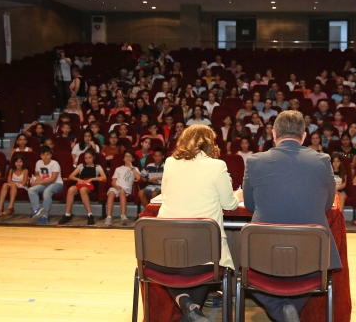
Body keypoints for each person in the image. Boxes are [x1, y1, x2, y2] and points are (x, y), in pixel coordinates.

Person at [242, 111, 341, 321]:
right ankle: (289, 308)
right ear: (304, 136)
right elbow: (327, 204)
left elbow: (249, 204)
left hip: (264, 255)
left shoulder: (255, 161)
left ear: (274, 134)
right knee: (308, 275)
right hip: (312, 256)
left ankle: (280, 309)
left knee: (238, 266)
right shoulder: (323, 160)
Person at [148, 125, 241, 321]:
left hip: (164, 256)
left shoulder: (170, 162)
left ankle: (187, 306)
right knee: (203, 262)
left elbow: (165, 194)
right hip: (204, 258)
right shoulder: (217, 166)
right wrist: (238, 193)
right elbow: (230, 205)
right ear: (210, 144)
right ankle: (189, 310)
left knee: (181, 261)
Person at [59, 149, 107, 226]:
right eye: (86, 158)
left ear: (93, 157)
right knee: (71, 189)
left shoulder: (97, 167)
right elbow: (71, 176)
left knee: (83, 190)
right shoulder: (81, 166)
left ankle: (90, 215)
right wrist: (78, 179)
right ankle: (67, 214)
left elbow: (104, 177)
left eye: (90, 158)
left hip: (91, 185)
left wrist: (91, 179)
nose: (88, 160)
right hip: (81, 183)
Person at [28, 146, 64, 224]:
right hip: (44, 183)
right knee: (31, 190)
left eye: (48, 154)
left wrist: (37, 183)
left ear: (51, 155)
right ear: (40, 156)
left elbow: (53, 179)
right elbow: (36, 174)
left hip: (57, 184)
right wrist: (37, 178)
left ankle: (44, 216)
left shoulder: (55, 163)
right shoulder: (38, 163)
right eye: (43, 154)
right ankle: (36, 210)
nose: (45, 156)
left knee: (47, 192)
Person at [104, 150, 141, 226]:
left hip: (126, 188)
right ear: (123, 159)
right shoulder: (118, 169)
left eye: (130, 156)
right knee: (111, 193)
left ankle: (123, 216)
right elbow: (113, 181)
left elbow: (139, 178)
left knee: (122, 192)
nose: (128, 158)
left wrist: (131, 167)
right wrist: (115, 186)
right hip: (116, 187)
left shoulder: (135, 169)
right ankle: (108, 217)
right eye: (126, 156)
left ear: (133, 159)